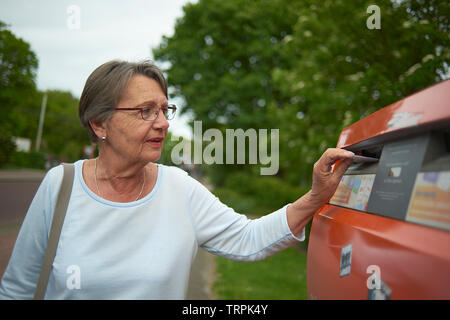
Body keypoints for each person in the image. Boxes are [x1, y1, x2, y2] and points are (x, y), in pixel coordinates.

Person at [0, 60, 354, 299]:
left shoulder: (180, 188)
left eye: (164, 110)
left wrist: (314, 197)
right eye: (145, 111)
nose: (164, 123)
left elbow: (249, 239)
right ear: (99, 123)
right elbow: (17, 289)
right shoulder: (59, 185)